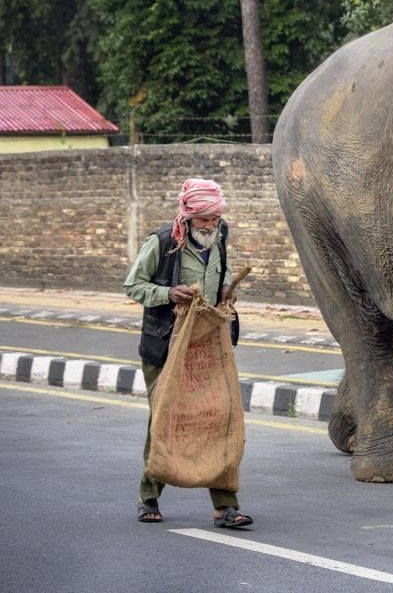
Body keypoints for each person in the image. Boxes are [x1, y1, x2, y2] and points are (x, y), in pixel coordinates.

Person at [124, 178, 252, 528]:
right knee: (166, 419)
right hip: (166, 345)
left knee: (217, 416)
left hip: (207, 343)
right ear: (187, 216)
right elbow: (133, 285)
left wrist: (224, 286)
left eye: (215, 218)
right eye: (204, 220)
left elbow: (222, 267)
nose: (210, 225)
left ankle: (225, 506)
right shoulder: (163, 241)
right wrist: (168, 293)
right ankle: (148, 497)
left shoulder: (220, 234)